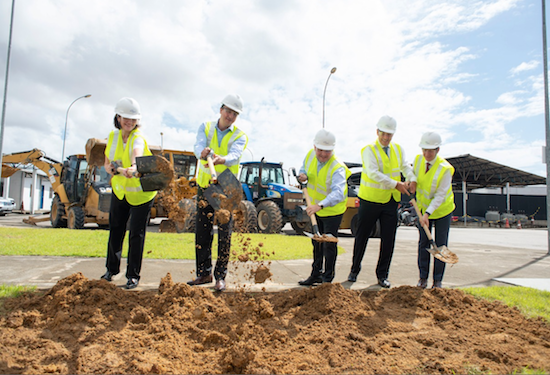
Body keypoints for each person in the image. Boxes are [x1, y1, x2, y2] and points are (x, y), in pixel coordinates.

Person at [187, 94, 248, 292]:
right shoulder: (206, 127)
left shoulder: (240, 135)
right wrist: (202, 153)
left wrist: (223, 159)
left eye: (234, 114)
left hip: (227, 187)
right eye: (228, 111)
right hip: (206, 185)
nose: (230, 116)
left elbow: (235, 155)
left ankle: (220, 276)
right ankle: (204, 272)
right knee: (202, 231)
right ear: (221, 110)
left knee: (224, 233)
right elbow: (198, 145)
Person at [348, 115, 417, 288]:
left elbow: (404, 167)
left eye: (390, 135)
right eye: (383, 134)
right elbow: (372, 173)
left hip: (390, 202)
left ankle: (382, 275)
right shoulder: (368, 149)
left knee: (388, 239)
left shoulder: (398, 149)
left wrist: (412, 178)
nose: (386, 138)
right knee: (362, 236)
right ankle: (354, 270)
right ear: (377, 131)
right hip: (370, 200)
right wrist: (397, 184)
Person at [100, 97, 156, 289]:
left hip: (141, 193)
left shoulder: (137, 137)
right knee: (116, 229)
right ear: (118, 117)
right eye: (126, 118)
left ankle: (133, 275)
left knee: (136, 234)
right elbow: (107, 162)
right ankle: (111, 270)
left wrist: (133, 166)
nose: (129, 122)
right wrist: (111, 169)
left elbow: (136, 153)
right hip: (120, 190)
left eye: (133, 119)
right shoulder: (112, 136)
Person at [297, 129, 351, 286]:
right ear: (315, 147)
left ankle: (327, 279)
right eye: (320, 150)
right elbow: (303, 169)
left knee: (329, 244)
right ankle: (315, 275)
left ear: (332, 150)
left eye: (327, 151)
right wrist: (303, 176)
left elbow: (339, 193)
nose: (322, 154)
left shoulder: (337, 167)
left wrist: (320, 205)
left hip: (332, 211)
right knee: (316, 243)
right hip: (315, 209)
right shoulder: (310, 155)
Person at [413, 132, 455, 289]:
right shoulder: (418, 160)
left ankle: (437, 281)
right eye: (424, 150)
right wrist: (411, 181)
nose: (426, 154)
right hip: (422, 209)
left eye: (430, 151)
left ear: (438, 150)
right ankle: (422, 278)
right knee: (424, 243)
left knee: (440, 245)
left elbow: (440, 195)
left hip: (442, 210)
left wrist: (427, 214)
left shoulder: (445, 169)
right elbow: (413, 175)